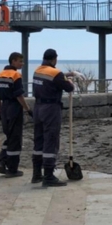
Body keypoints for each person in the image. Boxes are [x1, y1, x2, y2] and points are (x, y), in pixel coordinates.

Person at [33, 49, 77, 188]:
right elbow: (69, 87)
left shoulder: (38, 70)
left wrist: (68, 74)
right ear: (54, 59)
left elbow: (54, 78)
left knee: (38, 141)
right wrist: (70, 80)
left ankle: (36, 174)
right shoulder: (56, 73)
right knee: (51, 140)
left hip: (38, 108)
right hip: (51, 109)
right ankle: (48, 176)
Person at [0, 52, 31, 179]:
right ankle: (12, 169)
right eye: (20, 61)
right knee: (15, 139)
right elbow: (19, 95)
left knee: (9, 136)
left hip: (4, 108)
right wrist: (28, 109)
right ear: (13, 61)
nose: (22, 63)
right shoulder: (16, 75)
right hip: (14, 108)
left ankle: (2, 161)